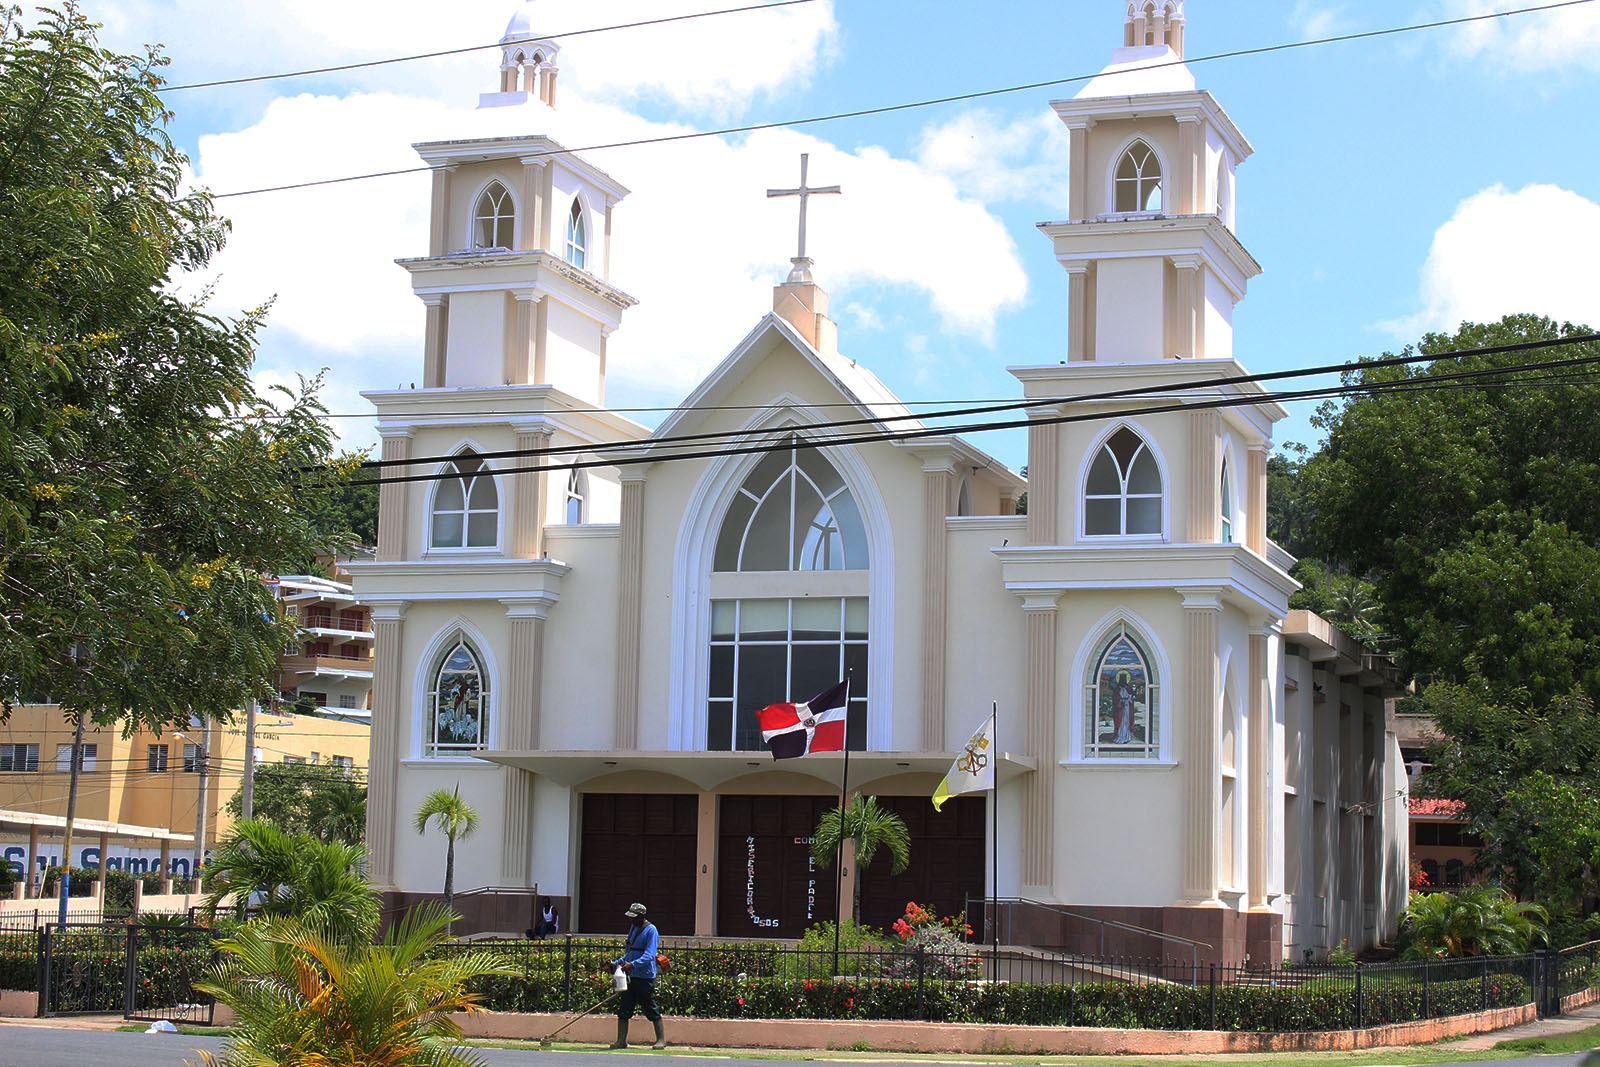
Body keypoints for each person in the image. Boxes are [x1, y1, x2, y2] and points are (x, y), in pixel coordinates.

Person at [608, 902, 665, 1049]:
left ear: (642, 916)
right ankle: (621, 1041)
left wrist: (632, 965)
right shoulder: (633, 929)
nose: (631, 920)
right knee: (624, 1009)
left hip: (645, 977)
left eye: (634, 918)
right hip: (630, 977)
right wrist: (615, 964)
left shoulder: (651, 930)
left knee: (651, 1008)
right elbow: (630, 953)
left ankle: (660, 1040)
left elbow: (649, 955)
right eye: (630, 918)